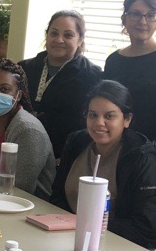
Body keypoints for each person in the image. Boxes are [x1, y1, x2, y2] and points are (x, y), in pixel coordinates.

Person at [51, 80, 156, 248]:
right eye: (92, 115)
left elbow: (146, 229)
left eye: (109, 116)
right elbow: (57, 197)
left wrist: (91, 226)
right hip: (66, 237)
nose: (99, 123)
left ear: (127, 119)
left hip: (115, 246)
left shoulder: (142, 160)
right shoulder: (76, 143)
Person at [19, 10, 103, 161]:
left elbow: (93, 121)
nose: (59, 40)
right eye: (54, 33)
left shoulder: (93, 76)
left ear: (80, 39)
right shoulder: (24, 68)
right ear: (47, 35)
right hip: (23, 148)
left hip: (65, 157)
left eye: (68, 35)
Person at [103, 0, 156, 141]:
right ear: (124, 18)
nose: (143, 21)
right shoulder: (114, 61)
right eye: (135, 14)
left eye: (151, 15)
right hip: (122, 145)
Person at [0, 59, 54, 198]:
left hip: (27, 205)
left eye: (4, 89)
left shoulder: (28, 130)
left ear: (18, 95)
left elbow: (22, 188)